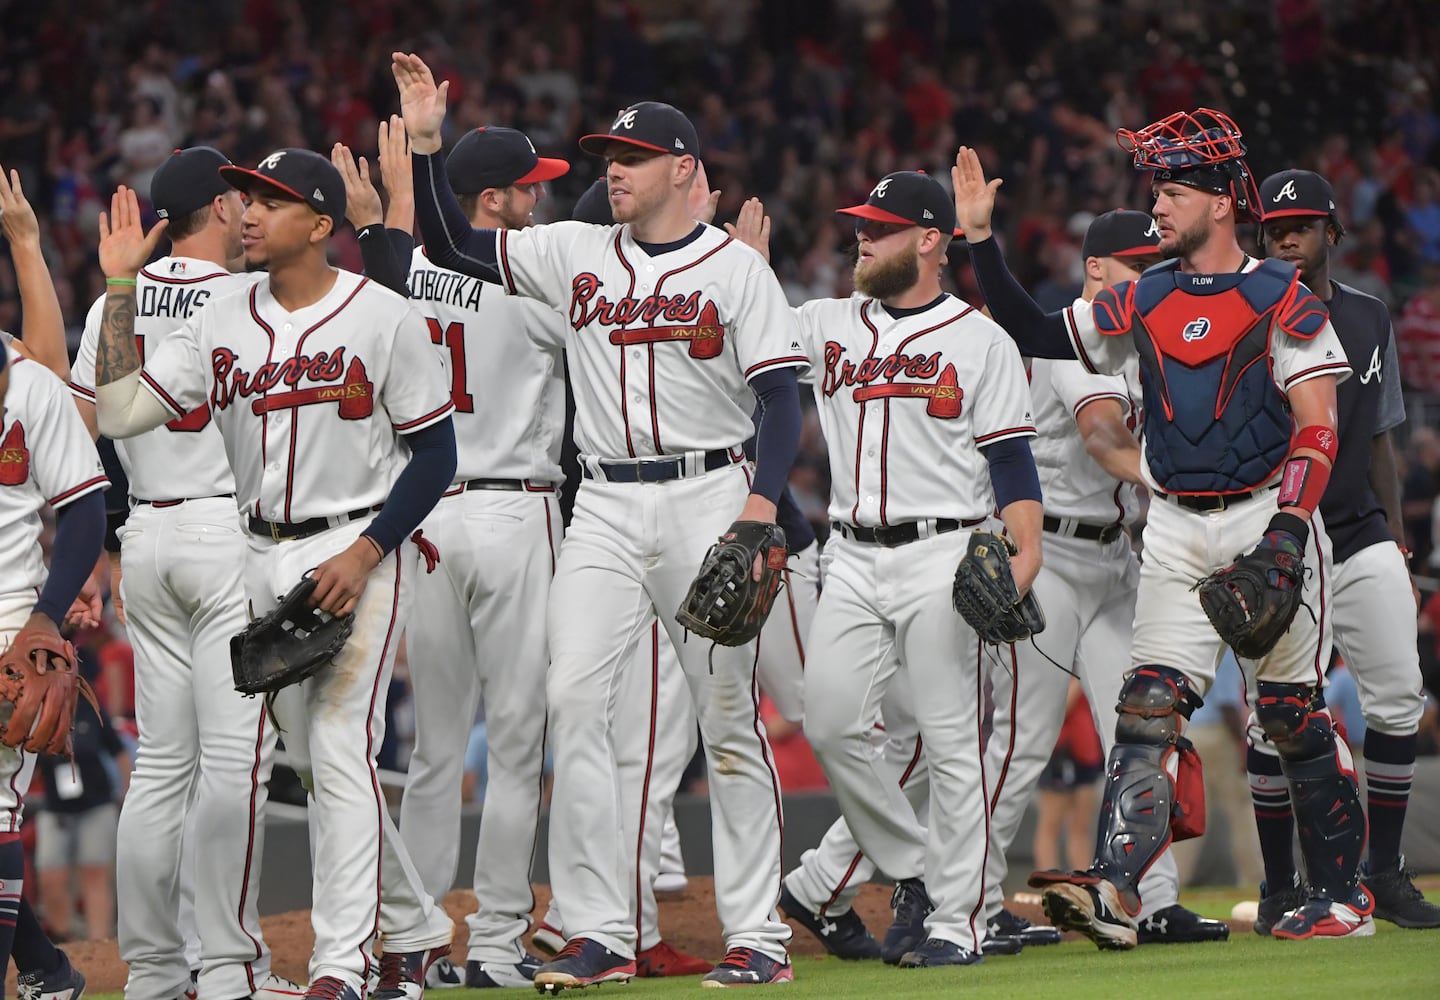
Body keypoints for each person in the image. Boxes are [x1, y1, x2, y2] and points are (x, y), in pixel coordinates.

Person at [396, 52, 802, 989]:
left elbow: (780, 400)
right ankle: (599, 930)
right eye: (607, 154)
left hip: (710, 493)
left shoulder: (735, 271)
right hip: (607, 505)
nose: (612, 169)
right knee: (572, 702)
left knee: (728, 719)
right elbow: (457, 246)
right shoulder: (573, 252)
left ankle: (759, 937)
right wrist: (426, 145)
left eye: (632, 155)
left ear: (684, 170)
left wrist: (757, 508)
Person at [955, 107, 1363, 944]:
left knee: (1289, 714)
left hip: (1260, 516)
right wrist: (978, 244)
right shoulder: (1143, 296)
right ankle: (1117, 884)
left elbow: (1318, 425)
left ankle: (1345, 896)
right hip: (1174, 527)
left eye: (1173, 191)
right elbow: (1037, 331)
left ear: (1220, 204)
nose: (1159, 207)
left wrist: (1288, 530)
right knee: (1147, 709)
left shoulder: (1280, 295)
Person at [90, 149, 458, 1000]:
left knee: (336, 748)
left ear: (322, 225)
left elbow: (436, 453)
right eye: (246, 198)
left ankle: (343, 966)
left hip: (354, 546)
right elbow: (116, 412)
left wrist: (368, 553)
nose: (248, 211)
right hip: (254, 552)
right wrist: (117, 290)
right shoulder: (218, 318)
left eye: (271, 201)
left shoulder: (383, 316)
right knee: (306, 753)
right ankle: (409, 933)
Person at [731, 170, 1043, 968]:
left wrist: (1027, 552)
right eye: (862, 225)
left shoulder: (981, 340)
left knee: (948, 743)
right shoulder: (827, 322)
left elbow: (1011, 465)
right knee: (832, 722)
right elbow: (744, 343)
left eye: (883, 226)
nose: (863, 237)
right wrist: (736, 269)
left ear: (931, 240)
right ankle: (918, 871)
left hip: (946, 551)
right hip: (853, 554)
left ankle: (957, 922)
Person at [69, 145, 303, 1000]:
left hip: (147, 540)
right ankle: (231, 969)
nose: (252, 212)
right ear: (214, 207)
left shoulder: (110, 304)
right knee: (237, 760)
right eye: (242, 196)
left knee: (163, 764)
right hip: (224, 534)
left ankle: (156, 975)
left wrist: (94, 547)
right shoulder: (253, 296)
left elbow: (84, 428)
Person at [982, 209, 1228, 948]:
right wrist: (1176, 482)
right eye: (1137, 268)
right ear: (1096, 271)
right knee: (1022, 739)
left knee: (1145, 728)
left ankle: (1151, 899)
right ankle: (968, 901)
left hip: (1119, 556)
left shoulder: (1157, 338)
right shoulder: (1074, 332)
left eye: (1160, 267)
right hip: (1047, 557)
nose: (1155, 280)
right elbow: (1101, 436)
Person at [392, 121, 568, 990]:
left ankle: (419, 942)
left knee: (433, 749)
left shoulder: (403, 274)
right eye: (527, 188)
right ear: (490, 201)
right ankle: (497, 943)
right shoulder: (533, 275)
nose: (539, 200)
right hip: (513, 512)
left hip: (426, 519)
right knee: (515, 745)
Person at [1251, 167, 1440, 930]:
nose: (1287, 235)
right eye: (1274, 226)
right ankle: (1276, 887)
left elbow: (1383, 436)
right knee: (1275, 716)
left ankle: (1385, 874)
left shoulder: (1368, 316)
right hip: (1280, 532)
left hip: (1359, 530)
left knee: (1397, 697)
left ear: (1333, 231)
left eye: (1301, 223)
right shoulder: (1248, 312)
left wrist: (1397, 537)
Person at [0, 269, 107, 1000]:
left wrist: (47, 612)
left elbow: (85, 508)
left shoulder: (30, 386)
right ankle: (48, 968)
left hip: (7, 627)